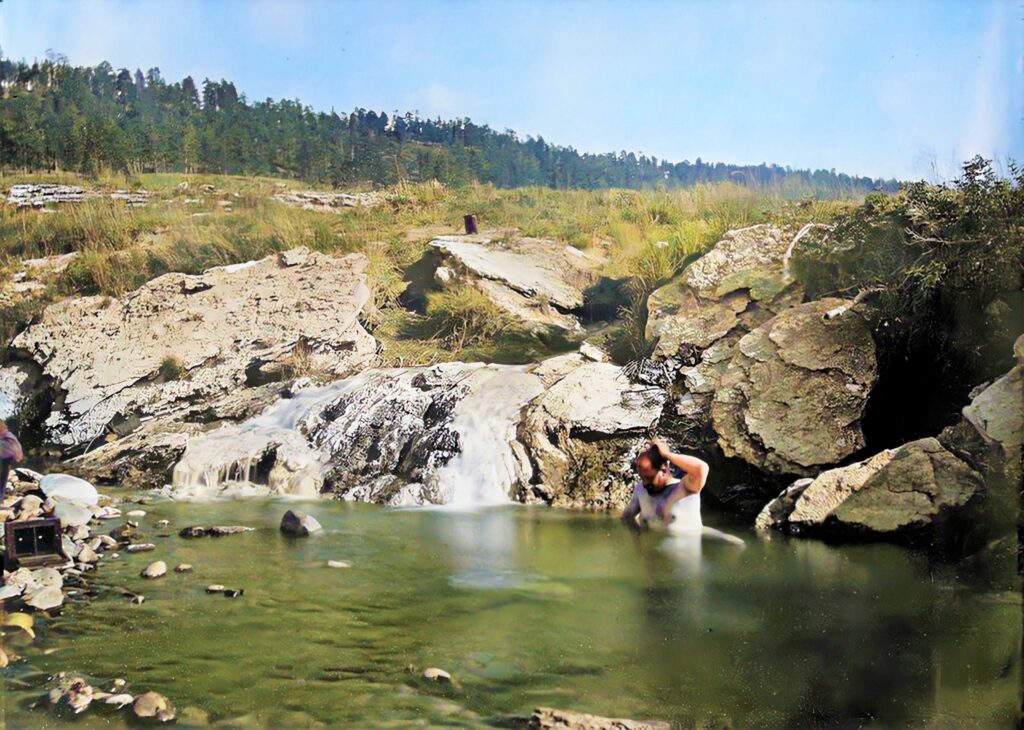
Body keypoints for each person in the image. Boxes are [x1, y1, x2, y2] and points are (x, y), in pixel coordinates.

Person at [621, 437, 708, 532]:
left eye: (649, 478)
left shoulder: (686, 488)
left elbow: (701, 468)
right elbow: (627, 517)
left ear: (663, 470)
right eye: (642, 477)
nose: (645, 483)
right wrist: (638, 536)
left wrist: (667, 455)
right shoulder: (640, 489)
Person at [0, 419, 24, 503]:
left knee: (2, 480)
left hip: (4, 460)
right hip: (5, 459)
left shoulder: (7, 436)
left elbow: (15, 448)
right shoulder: (7, 435)